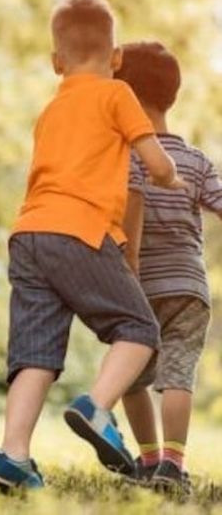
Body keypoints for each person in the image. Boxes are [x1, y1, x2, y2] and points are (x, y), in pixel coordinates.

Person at [0, 0, 184, 491]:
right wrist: (172, 177)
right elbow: (156, 163)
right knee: (140, 330)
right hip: (81, 231)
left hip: (28, 235)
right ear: (117, 58)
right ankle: (97, 407)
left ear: (56, 62)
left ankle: (12, 455)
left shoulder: (51, 111)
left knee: (34, 354)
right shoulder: (117, 94)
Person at [115, 42, 222, 493]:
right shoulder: (196, 160)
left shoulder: (123, 156)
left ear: (124, 96)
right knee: (178, 374)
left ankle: (150, 459)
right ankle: (173, 466)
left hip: (137, 287)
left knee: (131, 379)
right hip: (188, 289)